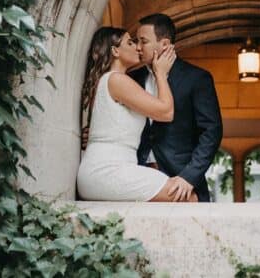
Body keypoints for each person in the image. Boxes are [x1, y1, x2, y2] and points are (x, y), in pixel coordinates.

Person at [76, 27, 199, 202]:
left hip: (108, 169)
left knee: (180, 194)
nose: (137, 47)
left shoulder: (110, 80)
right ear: (115, 50)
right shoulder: (117, 80)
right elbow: (166, 112)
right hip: (106, 171)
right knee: (187, 197)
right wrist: (161, 74)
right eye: (130, 42)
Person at [132, 14, 223, 202]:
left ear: (164, 44)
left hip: (179, 179)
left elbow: (211, 131)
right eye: (135, 41)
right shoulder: (131, 78)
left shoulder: (197, 78)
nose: (138, 47)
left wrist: (189, 177)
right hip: (135, 175)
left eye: (143, 41)